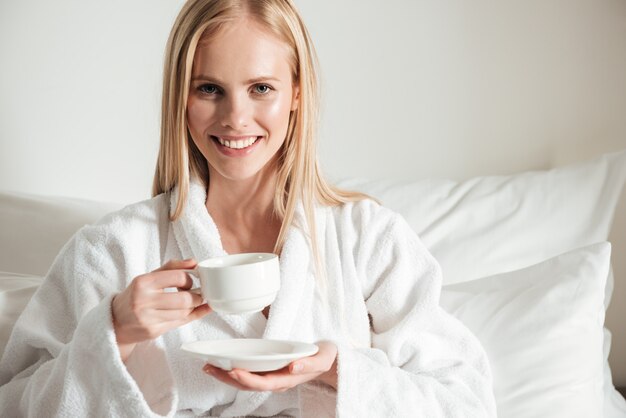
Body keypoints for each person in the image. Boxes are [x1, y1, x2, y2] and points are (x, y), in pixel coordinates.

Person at [0, 0, 496, 416]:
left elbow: (466, 399)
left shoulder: (367, 238)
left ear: (297, 93)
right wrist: (115, 334)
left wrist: (335, 369)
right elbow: (17, 402)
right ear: (182, 98)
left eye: (261, 88)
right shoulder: (111, 249)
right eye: (209, 89)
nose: (236, 118)